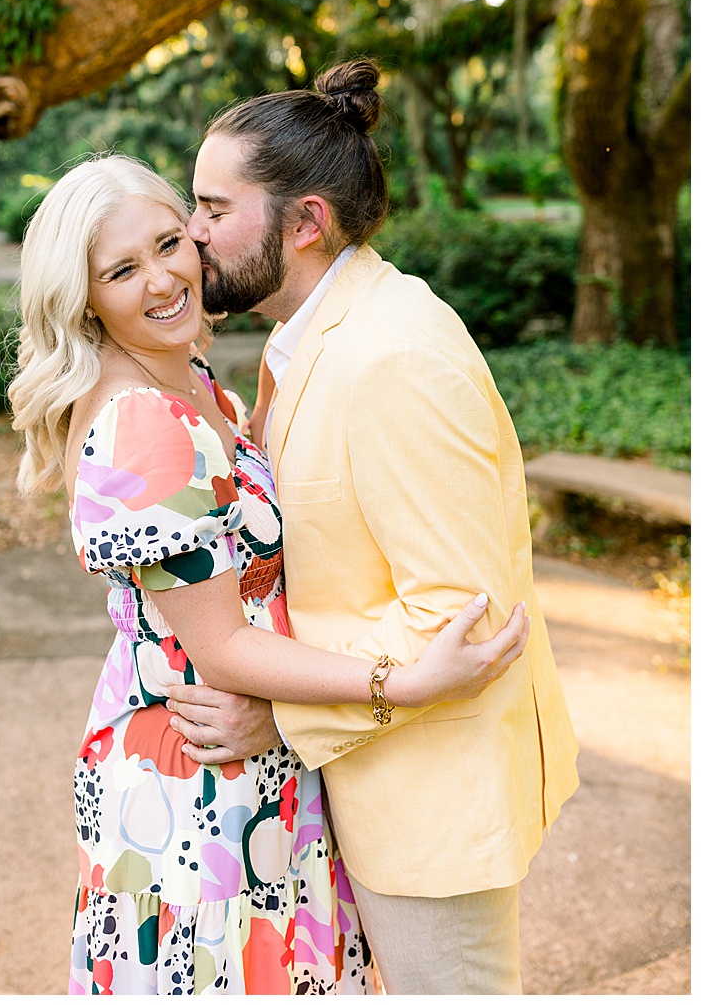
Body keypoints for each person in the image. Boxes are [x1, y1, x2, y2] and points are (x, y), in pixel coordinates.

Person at [9, 153, 531, 995]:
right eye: (121, 271)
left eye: (169, 243)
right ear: (84, 299)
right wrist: (399, 682)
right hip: (199, 780)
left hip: (259, 752)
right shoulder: (141, 423)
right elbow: (220, 647)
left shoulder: (187, 378)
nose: (162, 279)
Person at [164, 59, 579, 994]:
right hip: (358, 786)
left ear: (305, 222)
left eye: (214, 207)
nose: (192, 232)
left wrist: (280, 710)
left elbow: (463, 618)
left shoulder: (393, 357)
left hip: (430, 810)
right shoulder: (307, 332)